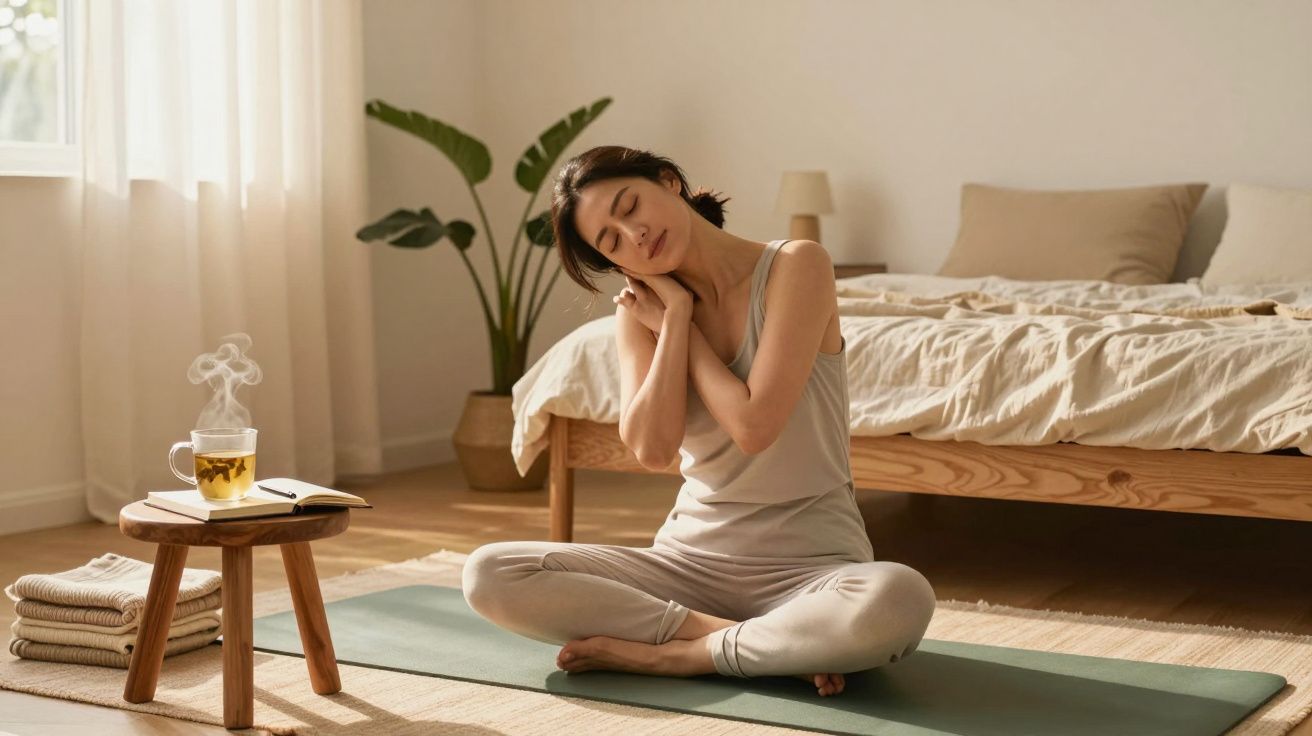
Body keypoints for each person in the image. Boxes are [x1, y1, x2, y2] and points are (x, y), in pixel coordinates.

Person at [461, 145, 935, 697]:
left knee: (899, 598)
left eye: (631, 205)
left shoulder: (797, 265)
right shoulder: (638, 315)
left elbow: (756, 427)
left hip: (813, 570)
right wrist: (676, 321)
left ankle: (679, 657)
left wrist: (680, 328)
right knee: (489, 573)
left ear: (669, 182)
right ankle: (735, 642)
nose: (633, 232)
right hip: (687, 568)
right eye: (612, 240)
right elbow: (652, 449)